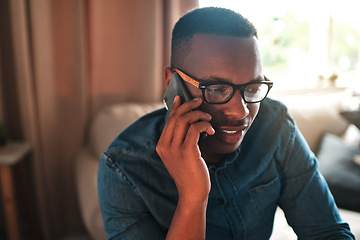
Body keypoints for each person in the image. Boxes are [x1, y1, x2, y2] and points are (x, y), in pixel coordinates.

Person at [97, 7, 355, 239]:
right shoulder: (124, 168)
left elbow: (328, 232)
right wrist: (193, 198)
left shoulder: (276, 127)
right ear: (172, 83)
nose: (240, 112)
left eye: (253, 87)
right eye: (217, 88)